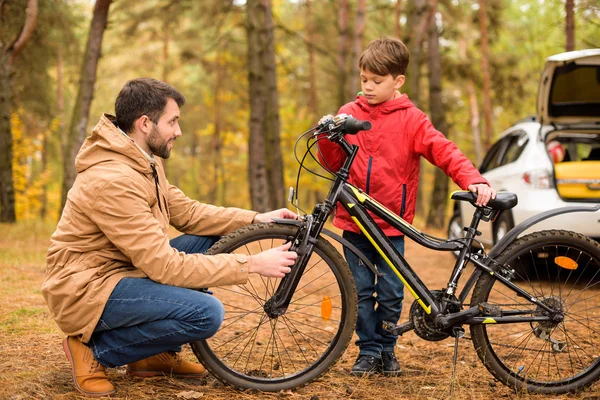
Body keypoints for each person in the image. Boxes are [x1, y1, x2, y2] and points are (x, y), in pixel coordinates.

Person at [42, 78, 298, 397]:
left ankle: (151, 357)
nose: (178, 131)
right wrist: (252, 264)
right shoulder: (113, 180)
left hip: (125, 270)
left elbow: (187, 213)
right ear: (144, 123)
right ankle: (95, 351)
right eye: (172, 122)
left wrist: (256, 218)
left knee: (214, 233)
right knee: (206, 313)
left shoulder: (143, 159)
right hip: (87, 288)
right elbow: (165, 267)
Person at [317, 37, 496, 377]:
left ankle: (387, 349)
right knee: (358, 290)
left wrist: (473, 179)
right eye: (363, 79)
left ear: (398, 81)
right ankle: (368, 351)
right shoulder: (348, 113)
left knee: (390, 292)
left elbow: (444, 150)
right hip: (355, 222)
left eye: (377, 81)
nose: (367, 87)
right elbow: (333, 162)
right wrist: (328, 137)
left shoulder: (412, 119)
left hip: (390, 225)